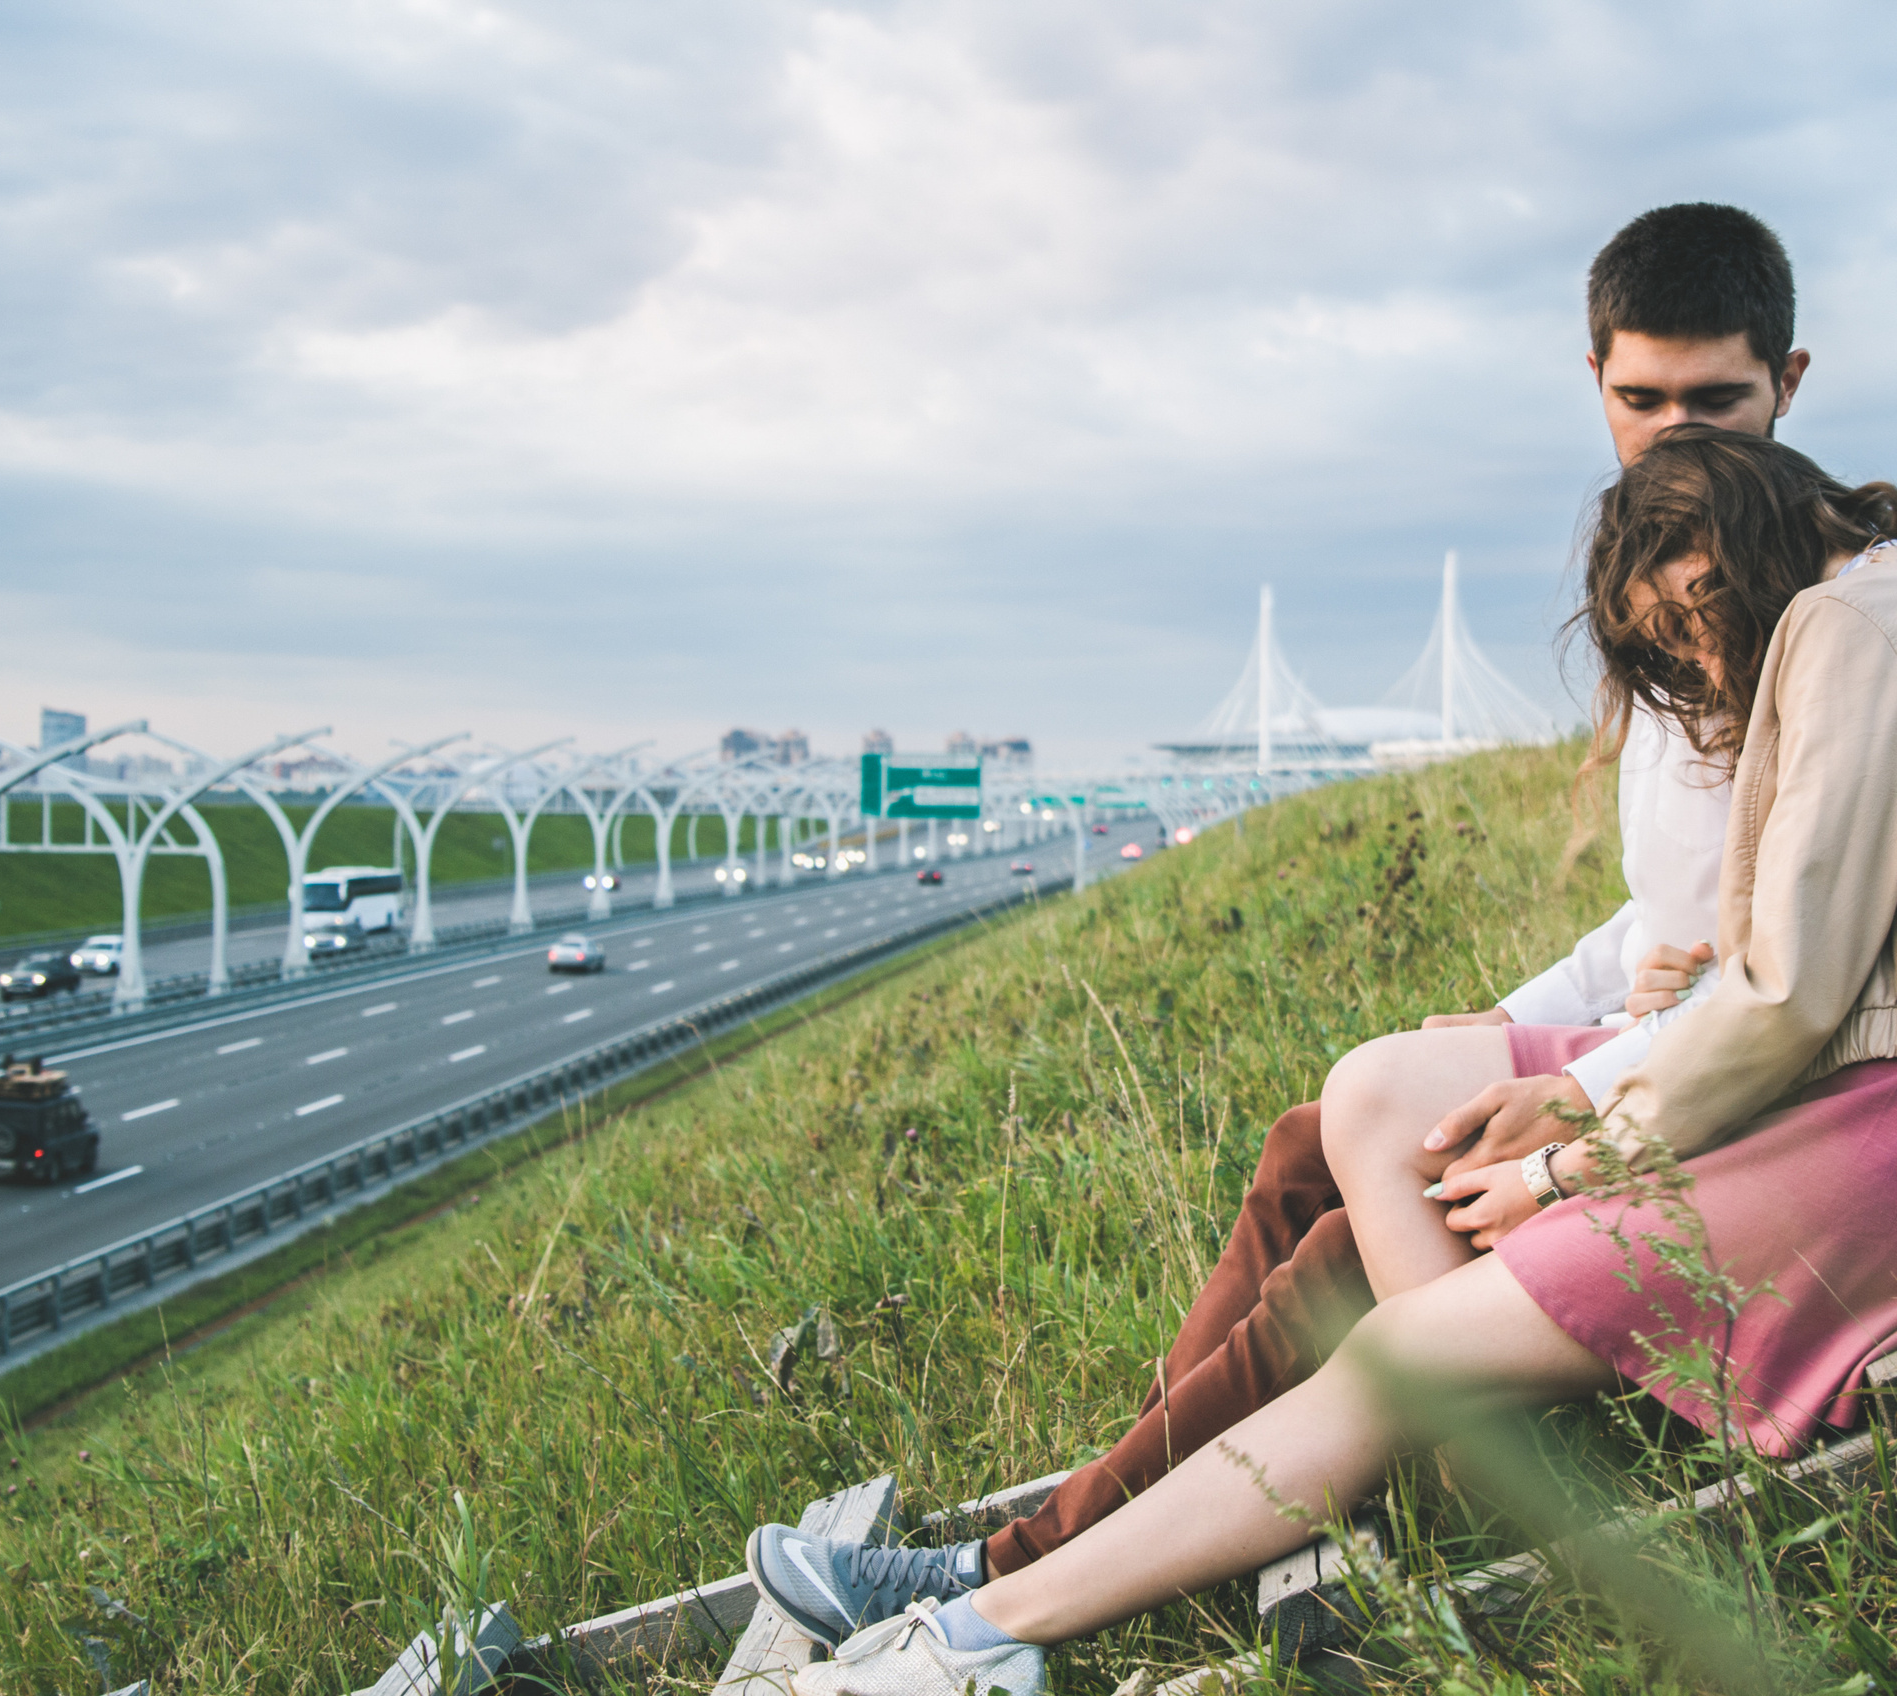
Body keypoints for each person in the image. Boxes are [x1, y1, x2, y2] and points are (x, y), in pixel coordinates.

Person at [788, 425, 1897, 1694]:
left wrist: (1577, 1160)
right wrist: (1572, 1080)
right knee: (1376, 1093)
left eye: (1684, 629)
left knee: (1391, 1347)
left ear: (1719, 566)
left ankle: (988, 1627)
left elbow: (1791, 989)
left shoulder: (1851, 626)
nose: (1699, 672)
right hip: (1883, 1094)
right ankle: (1475, 1472)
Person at [744, 203, 1809, 1646]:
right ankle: (1081, 1524)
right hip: (1650, 1059)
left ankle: (1015, 1575)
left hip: (1712, 1112)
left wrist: (1603, 1056)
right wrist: (1503, 1015)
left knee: (1341, 1252)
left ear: (1788, 386)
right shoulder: (1664, 580)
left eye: (1717, 401)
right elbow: (1669, 907)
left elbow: (1795, 956)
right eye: (1642, 400)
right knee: (1312, 1143)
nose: (1678, 436)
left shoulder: (1802, 614)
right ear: (1594, 382)